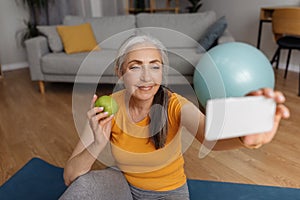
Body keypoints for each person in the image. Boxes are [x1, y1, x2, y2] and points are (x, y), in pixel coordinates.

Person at [59, 35, 290, 200]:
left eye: (155, 66)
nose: (146, 77)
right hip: (124, 186)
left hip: (168, 194)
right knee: (84, 187)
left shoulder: (176, 104)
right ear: (120, 72)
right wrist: (98, 143)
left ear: (163, 71)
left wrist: (243, 138)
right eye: (135, 67)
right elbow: (70, 176)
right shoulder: (109, 107)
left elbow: (209, 135)